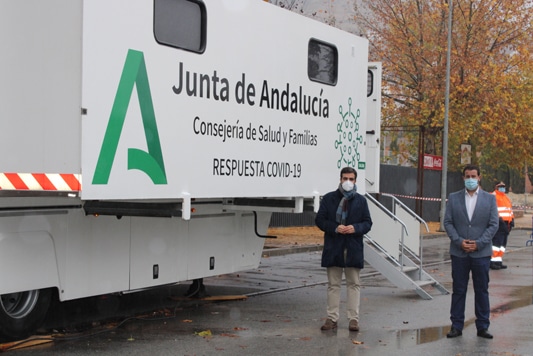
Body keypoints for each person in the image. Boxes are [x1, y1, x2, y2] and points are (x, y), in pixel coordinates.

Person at [444, 164, 499, 339]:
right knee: (459, 290)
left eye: (473, 176)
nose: (470, 179)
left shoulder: (489, 200)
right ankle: (456, 325)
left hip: (480, 253)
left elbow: (493, 225)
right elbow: (448, 223)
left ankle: (482, 326)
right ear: (463, 178)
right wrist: (459, 242)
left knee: (481, 290)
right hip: (459, 253)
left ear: (479, 177)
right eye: (467, 176)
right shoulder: (453, 198)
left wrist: (479, 243)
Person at [315, 167, 372, 332]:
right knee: (333, 284)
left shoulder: (361, 201)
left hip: (353, 248)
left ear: (355, 181)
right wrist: (335, 228)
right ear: (340, 179)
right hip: (334, 247)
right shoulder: (329, 198)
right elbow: (320, 220)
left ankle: (353, 319)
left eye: (351, 179)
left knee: (354, 284)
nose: (348, 181)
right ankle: (332, 318)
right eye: (345, 178)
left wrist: (355, 228)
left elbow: (368, 223)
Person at [490, 181, 514, 270]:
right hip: (499, 223)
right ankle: (492, 261)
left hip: (506, 224)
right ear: (496, 187)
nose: (502, 188)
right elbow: (493, 211)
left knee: (502, 245)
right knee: (496, 244)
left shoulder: (506, 198)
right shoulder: (493, 196)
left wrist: (512, 221)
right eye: (500, 186)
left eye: (503, 186)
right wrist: (499, 221)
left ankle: (498, 261)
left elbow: (509, 210)